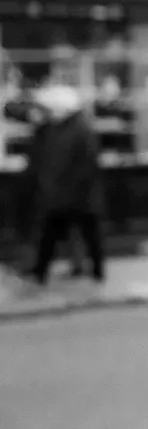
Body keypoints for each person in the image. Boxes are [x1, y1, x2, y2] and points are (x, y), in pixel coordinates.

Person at [27, 83, 105, 285]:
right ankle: (41, 271)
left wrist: (63, 188)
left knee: (86, 234)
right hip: (64, 195)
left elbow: (86, 164)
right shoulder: (55, 129)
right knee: (55, 234)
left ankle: (96, 271)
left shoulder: (79, 130)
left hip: (77, 196)